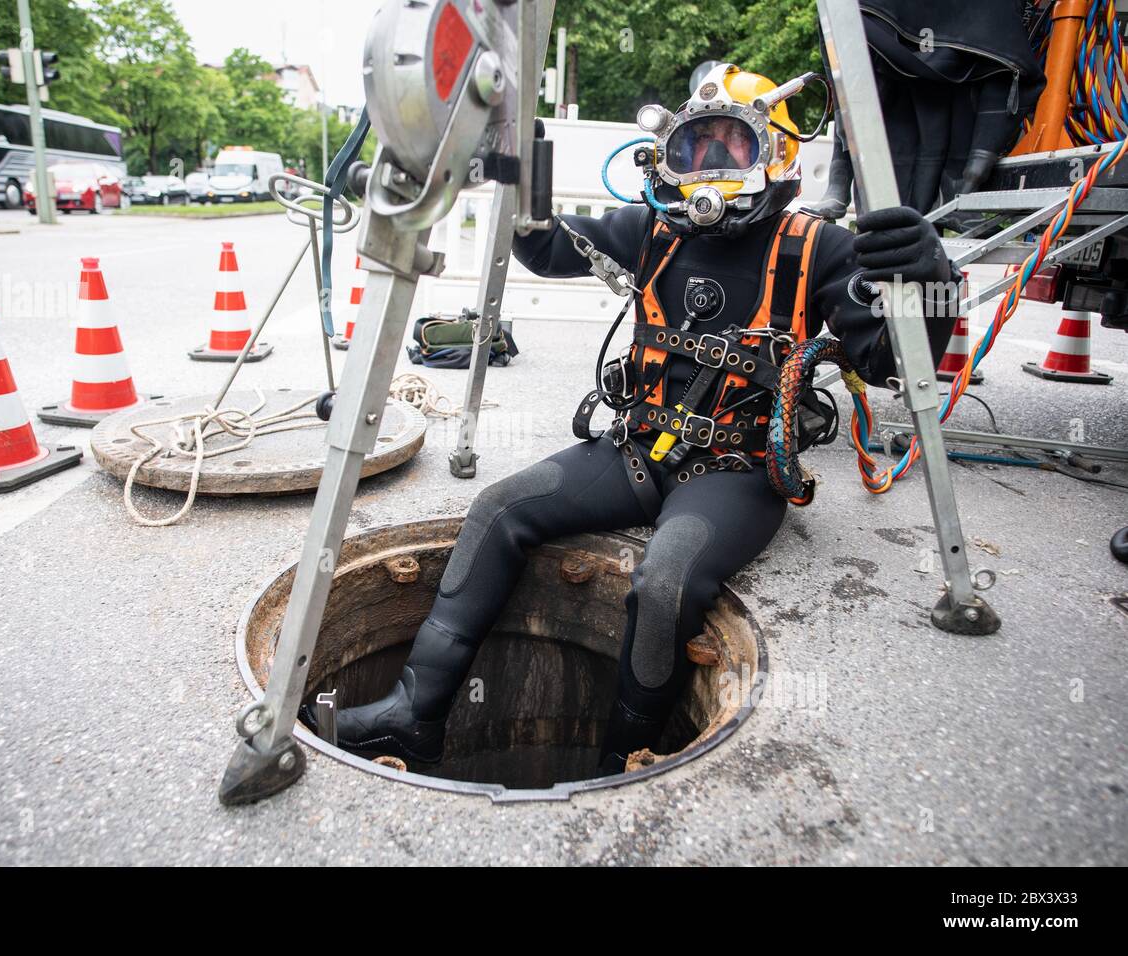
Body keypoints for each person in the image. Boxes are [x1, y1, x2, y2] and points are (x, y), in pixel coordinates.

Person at [306, 63, 960, 774]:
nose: (707, 169)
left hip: (736, 473)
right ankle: (413, 711)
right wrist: (523, 157)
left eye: (729, 148)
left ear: (775, 153)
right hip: (636, 447)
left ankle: (626, 753)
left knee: (665, 576)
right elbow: (544, 242)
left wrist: (932, 285)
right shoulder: (655, 231)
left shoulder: (815, 246)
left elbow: (891, 360)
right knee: (498, 508)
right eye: (692, 149)